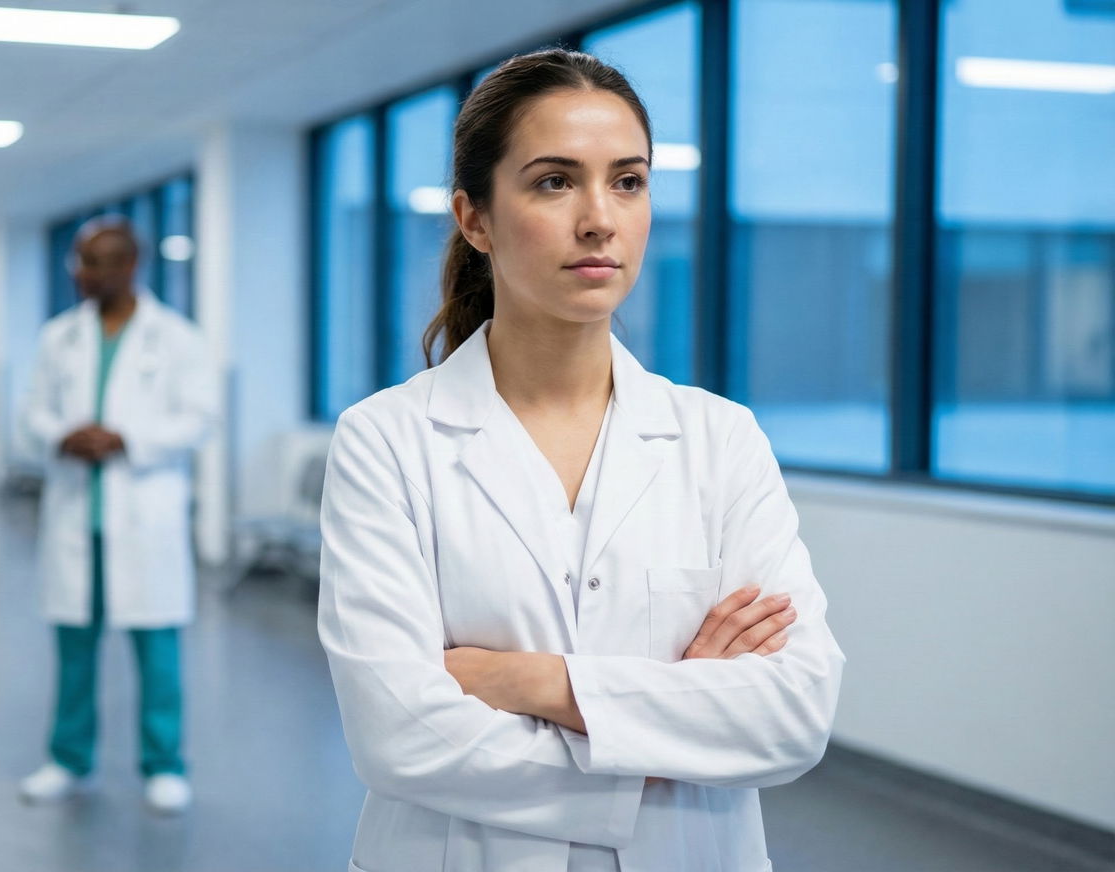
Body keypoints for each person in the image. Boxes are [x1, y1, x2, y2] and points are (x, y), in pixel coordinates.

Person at [318, 50, 845, 871]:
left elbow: (793, 713)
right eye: (555, 181)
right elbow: (400, 736)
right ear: (475, 218)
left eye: (627, 181)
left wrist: (530, 683)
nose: (600, 218)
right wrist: (668, 734)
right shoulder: (387, 441)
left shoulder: (720, 439)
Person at [16, 217, 220, 815]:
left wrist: (127, 438)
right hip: (78, 515)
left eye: (94, 261)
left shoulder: (178, 338)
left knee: (157, 650)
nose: (81, 272)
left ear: (129, 266)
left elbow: (200, 418)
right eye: (77, 261)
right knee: (73, 650)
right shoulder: (58, 337)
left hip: (144, 516)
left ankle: (164, 765)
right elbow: (30, 414)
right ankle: (67, 759)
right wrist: (62, 435)